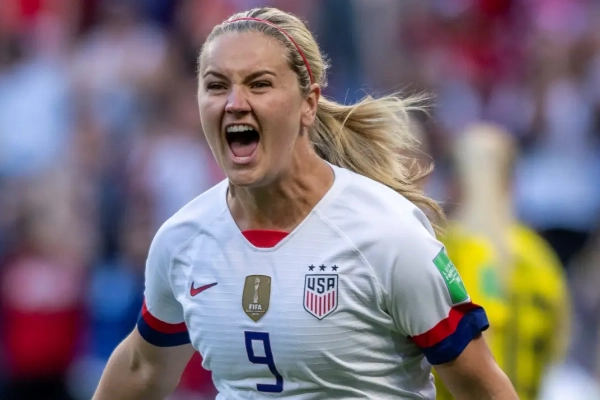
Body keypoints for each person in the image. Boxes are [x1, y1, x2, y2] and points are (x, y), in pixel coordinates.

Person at [92, 7, 517, 400]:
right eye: (216, 86)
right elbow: (142, 368)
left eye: (259, 84)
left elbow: (481, 387)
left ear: (308, 104)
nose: (235, 103)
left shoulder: (388, 233)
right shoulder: (182, 239)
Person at [434, 123, 570, 400]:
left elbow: (481, 339)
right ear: (512, 182)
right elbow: (558, 339)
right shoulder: (539, 256)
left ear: (456, 182)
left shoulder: (455, 250)